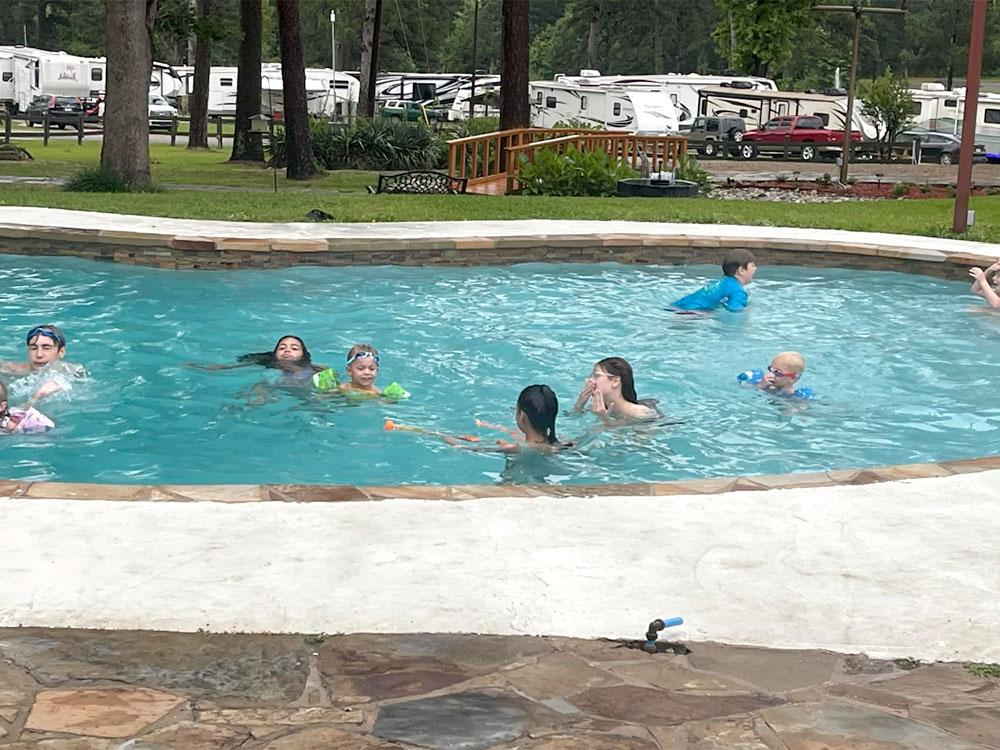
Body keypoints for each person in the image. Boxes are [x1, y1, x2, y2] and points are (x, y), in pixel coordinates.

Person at [0, 324, 86, 404]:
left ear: (61, 352)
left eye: (46, 348)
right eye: (33, 348)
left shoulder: (74, 373)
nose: (39, 354)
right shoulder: (11, 370)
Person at [474, 385, 572, 453]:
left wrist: (459, 442)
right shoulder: (564, 443)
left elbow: (473, 449)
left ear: (522, 416)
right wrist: (491, 426)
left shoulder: (514, 449)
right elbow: (517, 434)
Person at [669, 249, 757, 312]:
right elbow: (735, 311)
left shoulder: (721, 283)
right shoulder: (738, 291)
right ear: (741, 270)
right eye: (752, 266)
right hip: (690, 313)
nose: (755, 269)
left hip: (676, 306)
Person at [573, 357, 658, 422]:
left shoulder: (641, 413)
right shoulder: (598, 408)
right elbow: (572, 419)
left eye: (596, 375)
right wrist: (579, 404)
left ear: (615, 381)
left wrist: (603, 418)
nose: (589, 380)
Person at [738, 351, 814, 399]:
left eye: (777, 373)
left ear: (792, 379)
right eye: (771, 369)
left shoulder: (794, 396)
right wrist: (760, 385)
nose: (771, 374)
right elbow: (743, 388)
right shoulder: (762, 382)